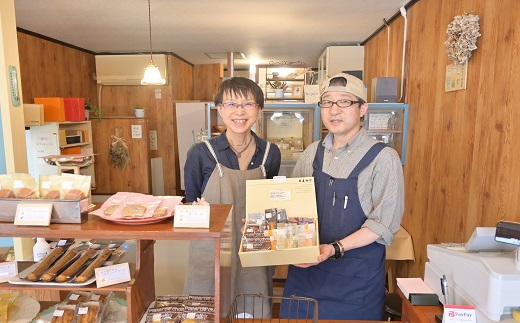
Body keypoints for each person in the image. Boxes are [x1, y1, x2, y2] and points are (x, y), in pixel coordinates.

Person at [280, 73, 404, 320]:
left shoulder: (384, 158)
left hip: (355, 282)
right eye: (327, 102)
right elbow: (291, 205)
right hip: (306, 274)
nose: (334, 110)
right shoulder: (311, 153)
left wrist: (334, 248)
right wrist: (267, 226)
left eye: (344, 101)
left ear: (362, 109)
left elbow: (383, 224)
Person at [183, 77, 281, 317]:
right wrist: (197, 210)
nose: (239, 112)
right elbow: (189, 204)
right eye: (231, 104)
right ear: (219, 109)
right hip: (212, 247)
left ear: (259, 109)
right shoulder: (200, 153)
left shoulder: (270, 153)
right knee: (208, 307)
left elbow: (272, 202)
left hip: (255, 245)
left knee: (253, 306)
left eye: (248, 104)